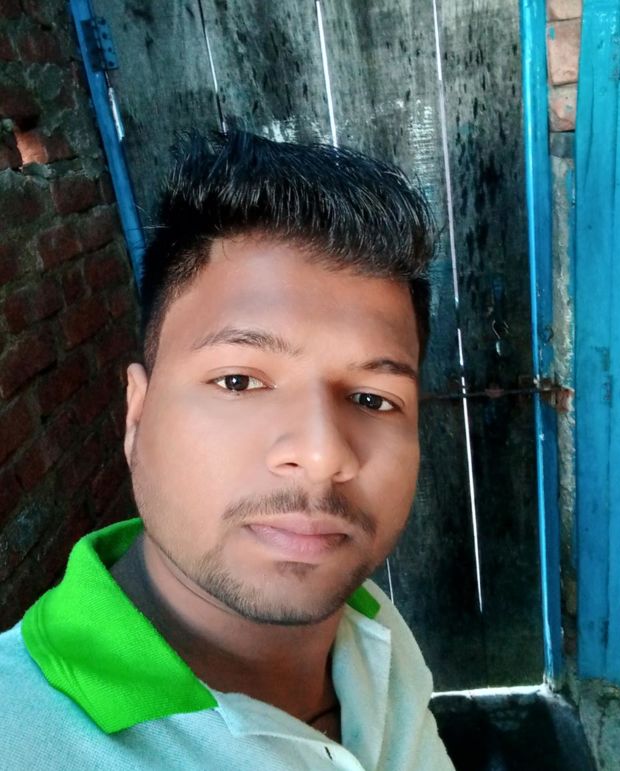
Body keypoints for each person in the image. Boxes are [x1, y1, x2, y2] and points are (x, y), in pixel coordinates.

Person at [0, 131, 454, 770]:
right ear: (137, 414)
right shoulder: (22, 734)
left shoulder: (370, 624)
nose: (322, 454)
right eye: (239, 381)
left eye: (372, 399)